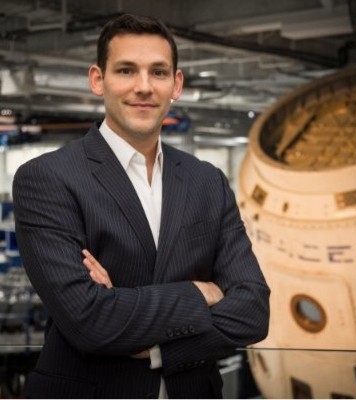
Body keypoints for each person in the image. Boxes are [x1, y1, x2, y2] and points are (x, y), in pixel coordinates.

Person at [12, 13, 270, 399]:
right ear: (98, 79)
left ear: (176, 84)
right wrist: (201, 292)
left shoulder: (207, 181)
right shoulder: (48, 178)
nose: (144, 87)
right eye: (126, 70)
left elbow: (253, 311)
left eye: (158, 72)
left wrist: (156, 348)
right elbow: (89, 321)